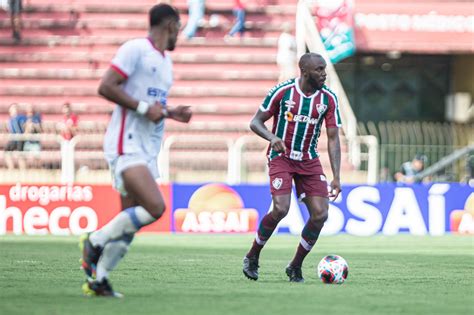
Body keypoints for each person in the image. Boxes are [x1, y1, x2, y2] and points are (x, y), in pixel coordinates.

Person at [80, 3, 192, 297]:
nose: (179, 33)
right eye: (179, 27)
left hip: (146, 147)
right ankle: (94, 240)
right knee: (156, 207)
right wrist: (145, 108)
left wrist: (171, 113)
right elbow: (106, 87)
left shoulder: (165, 63)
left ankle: (99, 279)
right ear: (169, 24)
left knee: (128, 223)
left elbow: (152, 105)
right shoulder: (135, 50)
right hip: (126, 143)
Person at [242, 52, 342, 283]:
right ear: (304, 71)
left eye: (324, 69)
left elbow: (334, 137)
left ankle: (295, 266)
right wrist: (271, 137)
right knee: (281, 209)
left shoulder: (328, 99)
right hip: (281, 157)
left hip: (309, 160)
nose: (324, 74)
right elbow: (255, 122)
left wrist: (336, 176)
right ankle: (253, 256)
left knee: (320, 214)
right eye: (319, 69)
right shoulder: (283, 92)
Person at [4, 103, 26, 169]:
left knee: (20, 155)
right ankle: (11, 168)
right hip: (13, 138)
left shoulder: (19, 117)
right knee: (7, 153)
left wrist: (24, 134)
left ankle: (23, 170)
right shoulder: (11, 119)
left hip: (19, 138)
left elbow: (25, 125)